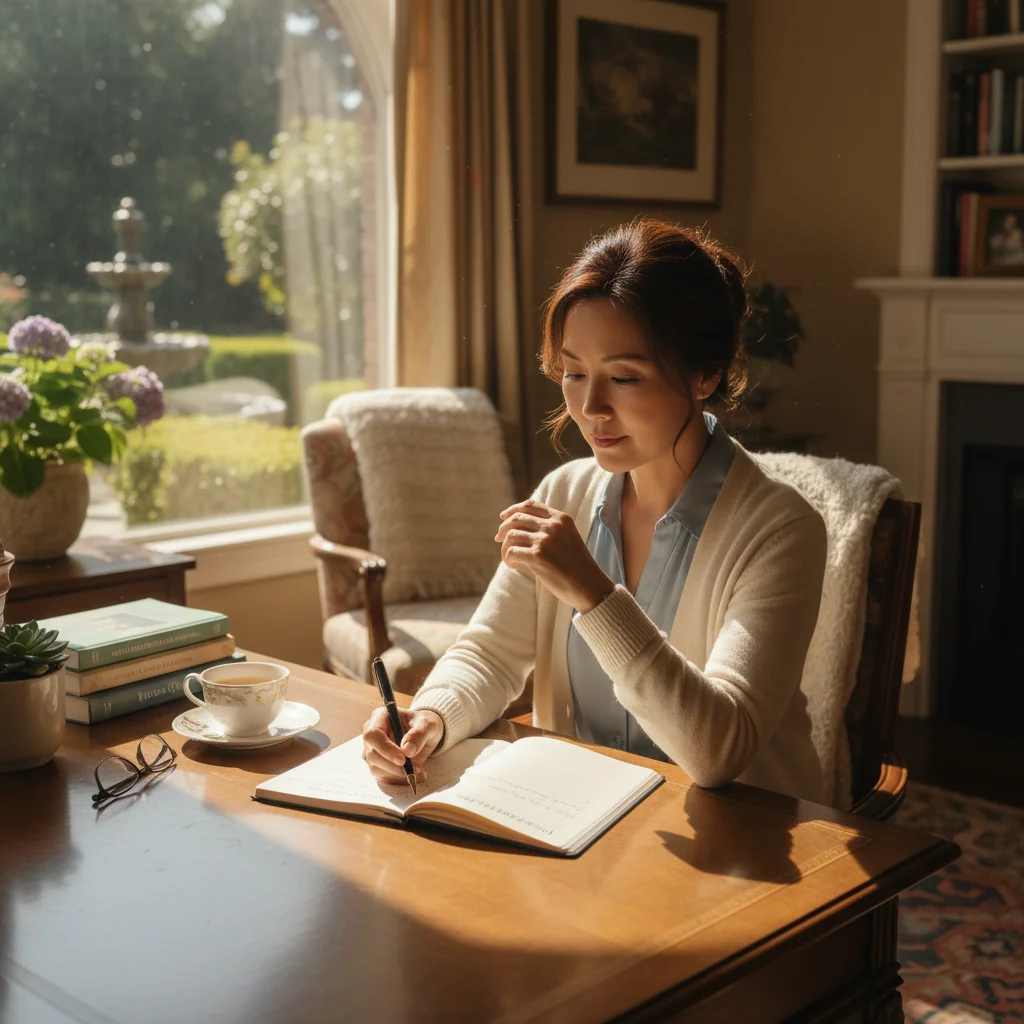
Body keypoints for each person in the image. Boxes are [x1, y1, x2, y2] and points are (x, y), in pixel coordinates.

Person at [361, 218, 828, 804]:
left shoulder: (781, 531)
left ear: (706, 375)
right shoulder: (563, 494)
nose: (590, 408)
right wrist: (430, 717)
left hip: (745, 842)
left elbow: (718, 752)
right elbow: (489, 653)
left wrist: (593, 593)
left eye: (624, 377)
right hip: (583, 820)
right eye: (574, 373)